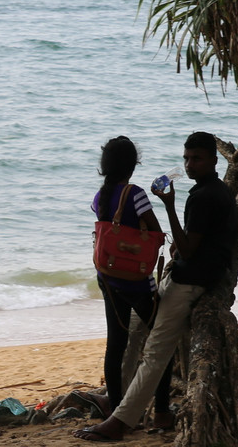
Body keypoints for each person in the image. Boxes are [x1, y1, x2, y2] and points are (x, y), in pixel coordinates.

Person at [75, 131, 238, 442]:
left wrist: (171, 206)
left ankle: (120, 419)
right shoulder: (214, 191)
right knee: (137, 330)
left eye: (196, 159)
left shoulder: (202, 196)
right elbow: (180, 235)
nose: (189, 165)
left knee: (150, 348)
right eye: (186, 159)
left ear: (214, 160)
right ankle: (134, 404)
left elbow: (188, 246)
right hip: (160, 276)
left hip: (176, 280)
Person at [77, 136, 172, 425]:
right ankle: (162, 411)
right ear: (133, 165)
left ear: (104, 166)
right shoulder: (136, 193)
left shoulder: (99, 197)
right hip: (137, 280)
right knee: (160, 341)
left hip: (107, 277)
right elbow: (156, 233)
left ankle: (116, 409)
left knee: (115, 344)